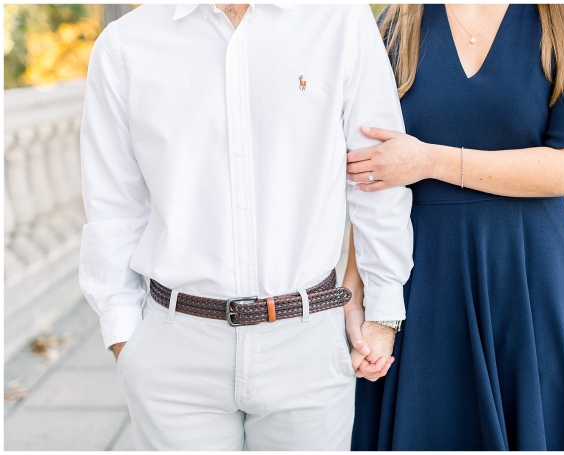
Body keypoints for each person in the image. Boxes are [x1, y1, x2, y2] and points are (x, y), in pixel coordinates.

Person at [79, 4, 413, 450]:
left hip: (307, 344)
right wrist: (124, 338)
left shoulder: (341, 20)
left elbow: (377, 180)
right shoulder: (125, 46)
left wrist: (383, 313)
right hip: (176, 353)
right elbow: (112, 208)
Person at [344, 4, 564, 450]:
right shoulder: (398, 22)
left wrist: (430, 159)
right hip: (423, 279)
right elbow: (375, 172)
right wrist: (361, 296)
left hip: (530, 284)